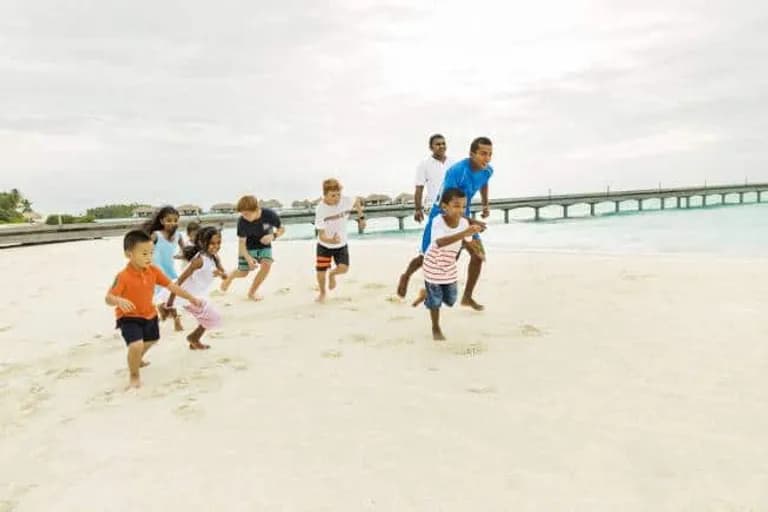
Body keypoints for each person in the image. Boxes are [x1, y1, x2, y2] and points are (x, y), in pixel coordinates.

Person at [105, 230, 202, 389]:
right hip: (128, 317)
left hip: (149, 314)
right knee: (135, 345)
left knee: (152, 340)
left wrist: (190, 298)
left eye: (151, 253)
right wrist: (118, 299)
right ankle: (134, 375)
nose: (149, 257)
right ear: (129, 254)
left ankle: (137, 358)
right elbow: (108, 298)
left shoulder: (153, 271)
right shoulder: (123, 276)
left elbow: (173, 286)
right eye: (144, 253)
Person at [418, 137, 494, 311]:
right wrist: (473, 221)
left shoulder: (488, 170)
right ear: (472, 154)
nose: (487, 158)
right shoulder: (457, 171)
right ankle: (431, 292)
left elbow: (484, 182)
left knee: (478, 256)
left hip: (462, 212)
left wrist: (485, 205)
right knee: (439, 258)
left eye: (490, 154)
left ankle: (467, 297)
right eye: (483, 154)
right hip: (443, 212)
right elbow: (449, 204)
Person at [415, 188, 483, 340]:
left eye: (464, 206)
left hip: (449, 265)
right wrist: (464, 234)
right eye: (456, 205)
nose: (461, 210)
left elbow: (469, 241)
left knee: (451, 300)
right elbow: (440, 242)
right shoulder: (438, 221)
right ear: (444, 207)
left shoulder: (464, 223)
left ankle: (427, 294)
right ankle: (436, 328)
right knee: (436, 302)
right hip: (432, 264)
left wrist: (477, 250)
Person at [396, 134, 454, 298]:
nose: (441, 146)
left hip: (453, 210)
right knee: (426, 252)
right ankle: (406, 276)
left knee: (452, 250)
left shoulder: (453, 164)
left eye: (443, 143)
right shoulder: (424, 165)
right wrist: (417, 208)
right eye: (437, 144)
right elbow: (419, 188)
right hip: (435, 210)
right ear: (431, 147)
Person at [164, 226, 227, 350]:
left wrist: (220, 274)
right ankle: (193, 338)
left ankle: (194, 339)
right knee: (213, 317)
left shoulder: (214, 257)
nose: (216, 246)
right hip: (188, 296)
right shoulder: (198, 260)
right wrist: (170, 303)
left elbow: (225, 276)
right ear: (202, 243)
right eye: (212, 243)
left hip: (200, 294)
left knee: (209, 317)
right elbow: (179, 280)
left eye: (218, 243)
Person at [219, 195, 285, 301]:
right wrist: (249, 258)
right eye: (242, 214)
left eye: (247, 214)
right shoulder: (242, 222)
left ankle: (251, 292)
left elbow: (282, 229)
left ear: (256, 209)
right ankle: (230, 276)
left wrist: (273, 236)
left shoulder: (270, 215)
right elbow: (241, 244)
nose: (244, 217)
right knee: (243, 273)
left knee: (267, 265)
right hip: (247, 247)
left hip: (264, 245)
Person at [314, 178, 365, 302]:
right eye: (332, 195)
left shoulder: (346, 200)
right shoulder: (320, 209)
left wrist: (361, 218)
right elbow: (321, 235)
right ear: (325, 195)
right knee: (321, 271)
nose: (336, 198)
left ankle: (332, 274)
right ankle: (322, 293)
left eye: (338, 194)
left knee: (344, 268)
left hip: (341, 243)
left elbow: (357, 201)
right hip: (324, 245)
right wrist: (331, 240)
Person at [143, 205, 185, 330]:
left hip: (170, 269)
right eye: (169, 220)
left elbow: (185, 251)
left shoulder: (178, 235)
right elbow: (145, 250)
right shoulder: (156, 235)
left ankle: (164, 312)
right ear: (161, 221)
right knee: (165, 293)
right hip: (155, 270)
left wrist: (183, 256)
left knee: (171, 293)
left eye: (175, 220)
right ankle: (175, 318)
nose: (172, 223)